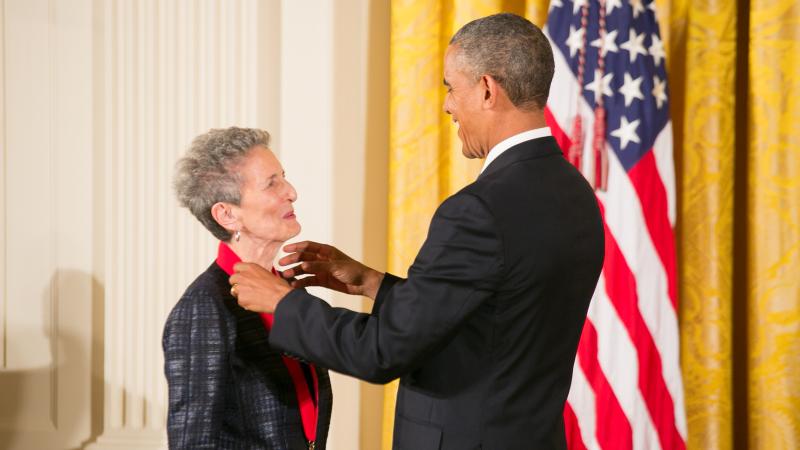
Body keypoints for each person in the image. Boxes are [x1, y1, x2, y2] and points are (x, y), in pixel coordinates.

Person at [231, 13, 604, 450]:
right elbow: (494, 318)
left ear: (487, 89)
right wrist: (373, 283)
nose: (447, 105)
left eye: (451, 87)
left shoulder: (478, 210)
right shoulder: (576, 193)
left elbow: (381, 351)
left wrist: (284, 303)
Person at [163, 127, 332, 449]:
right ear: (227, 214)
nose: (291, 191)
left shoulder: (287, 289)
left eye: (284, 177)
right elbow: (192, 442)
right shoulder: (203, 307)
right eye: (272, 184)